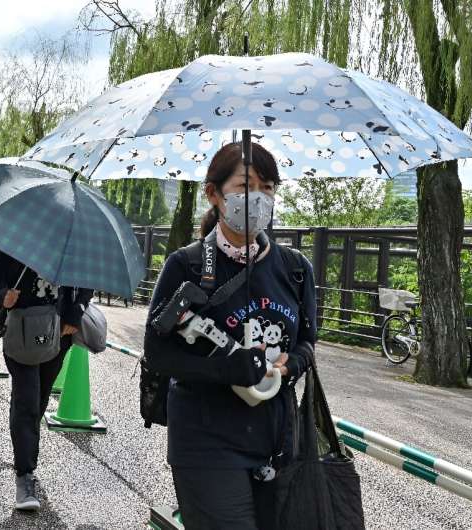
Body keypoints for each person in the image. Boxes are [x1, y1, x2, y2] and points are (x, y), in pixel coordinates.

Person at [143, 142, 318, 530]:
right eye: (246, 185)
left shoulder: (295, 270)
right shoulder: (186, 266)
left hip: (277, 441)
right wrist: (227, 369)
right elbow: (157, 353)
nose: (260, 197)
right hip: (206, 441)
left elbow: (307, 342)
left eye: (269, 187)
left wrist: (290, 367)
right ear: (213, 194)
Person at [0, 252, 92, 512]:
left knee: (38, 399)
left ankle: (25, 449)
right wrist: (2, 295)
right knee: (27, 398)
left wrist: (74, 315)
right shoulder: (17, 246)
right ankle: (25, 475)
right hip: (21, 330)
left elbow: (86, 286)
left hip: (58, 332)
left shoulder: (72, 250)